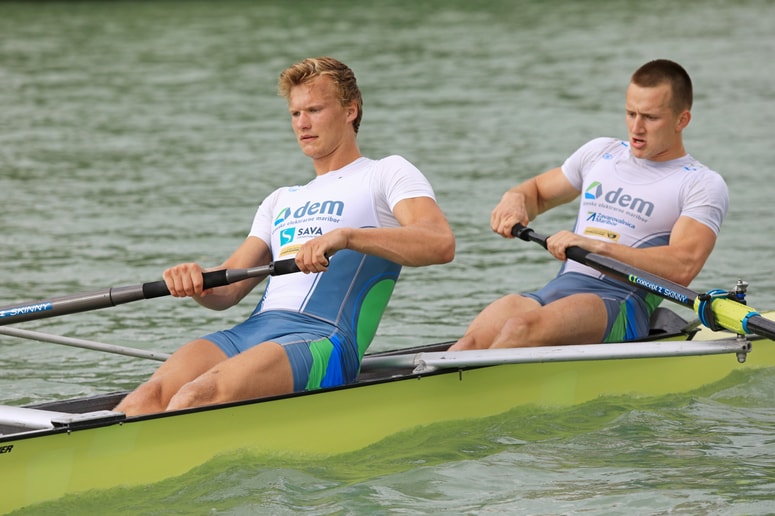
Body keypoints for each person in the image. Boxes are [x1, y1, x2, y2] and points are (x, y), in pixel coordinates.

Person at [116, 57, 455, 416]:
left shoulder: (386, 173)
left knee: (195, 396)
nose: (303, 124)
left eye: (314, 109)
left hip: (321, 339)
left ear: (350, 111)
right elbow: (227, 290)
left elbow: (439, 242)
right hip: (253, 332)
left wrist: (347, 238)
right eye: (295, 114)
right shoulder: (280, 199)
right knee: (144, 400)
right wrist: (194, 281)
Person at [450, 59, 728, 351]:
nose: (636, 127)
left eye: (650, 117)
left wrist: (597, 245)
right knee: (468, 344)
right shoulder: (600, 152)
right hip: (559, 292)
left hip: (618, 304)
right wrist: (515, 199)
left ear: (682, 120)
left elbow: (682, 265)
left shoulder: (700, 183)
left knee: (519, 329)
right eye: (630, 113)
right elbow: (537, 193)